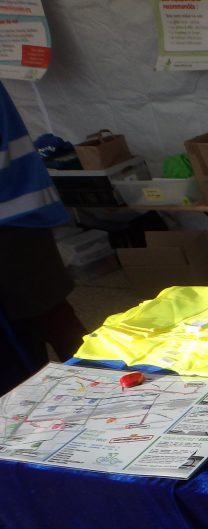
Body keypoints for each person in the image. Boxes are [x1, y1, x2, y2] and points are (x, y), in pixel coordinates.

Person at [0, 82, 88, 394]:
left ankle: (97, 387)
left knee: (52, 316)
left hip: (14, 223)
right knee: (21, 337)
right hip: (15, 215)